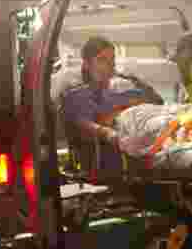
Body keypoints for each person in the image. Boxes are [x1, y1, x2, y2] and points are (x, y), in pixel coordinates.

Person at [60, 36, 163, 175]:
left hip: (149, 145)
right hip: (107, 165)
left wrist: (135, 82)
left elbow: (157, 102)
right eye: (102, 60)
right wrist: (108, 132)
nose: (109, 65)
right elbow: (83, 123)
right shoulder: (76, 94)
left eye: (112, 59)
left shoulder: (123, 88)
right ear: (87, 64)